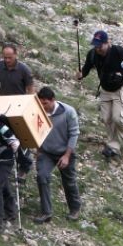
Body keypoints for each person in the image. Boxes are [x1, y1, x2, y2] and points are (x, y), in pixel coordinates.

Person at [76, 30, 123, 158]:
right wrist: (82, 74)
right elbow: (87, 67)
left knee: (118, 118)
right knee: (106, 118)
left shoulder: (117, 51)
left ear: (108, 42)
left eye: (100, 45)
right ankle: (113, 145)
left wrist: (122, 73)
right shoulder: (93, 54)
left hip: (120, 88)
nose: (98, 48)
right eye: (96, 45)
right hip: (105, 89)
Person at [33, 87, 82, 223]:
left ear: (53, 100)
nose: (43, 107)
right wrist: (38, 149)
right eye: (41, 104)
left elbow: (74, 134)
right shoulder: (38, 112)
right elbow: (35, 130)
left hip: (64, 152)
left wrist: (67, 155)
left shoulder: (68, 112)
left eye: (45, 103)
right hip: (46, 152)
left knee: (69, 181)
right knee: (42, 177)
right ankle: (46, 212)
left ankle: (75, 209)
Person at [0, 44, 34, 182]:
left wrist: (28, 108)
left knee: (21, 138)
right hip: (2, 107)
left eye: (9, 57)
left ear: (16, 55)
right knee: (3, 135)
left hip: (18, 108)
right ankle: (3, 163)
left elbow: (30, 90)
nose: (7, 60)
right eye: (5, 57)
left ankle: (24, 167)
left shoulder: (24, 70)